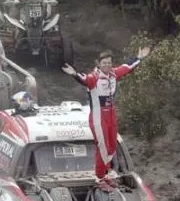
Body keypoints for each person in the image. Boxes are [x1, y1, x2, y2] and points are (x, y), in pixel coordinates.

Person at [62, 47, 151, 189]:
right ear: (99, 64)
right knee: (102, 147)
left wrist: (139, 58)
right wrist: (74, 74)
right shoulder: (94, 77)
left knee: (111, 146)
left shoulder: (114, 74)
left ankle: (105, 174)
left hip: (111, 114)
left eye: (109, 63)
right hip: (98, 116)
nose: (107, 65)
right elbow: (84, 79)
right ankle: (99, 178)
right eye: (104, 63)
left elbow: (127, 67)